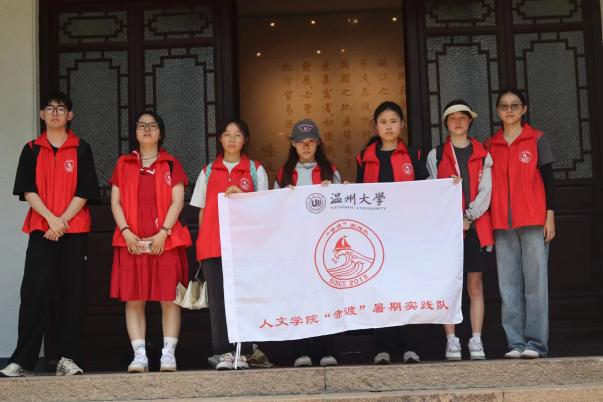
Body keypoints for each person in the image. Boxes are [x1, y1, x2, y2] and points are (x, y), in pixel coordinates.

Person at [1, 92, 100, 377]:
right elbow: (28, 190)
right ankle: (23, 361)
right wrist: (51, 219)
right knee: (34, 293)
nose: (55, 112)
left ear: (70, 115)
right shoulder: (31, 149)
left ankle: (68, 358)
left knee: (71, 293)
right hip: (41, 229)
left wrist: (62, 221)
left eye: (61, 108)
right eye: (50, 108)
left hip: (73, 229)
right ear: (42, 115)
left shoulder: (82, 148)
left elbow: (85, 190)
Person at [110, 111, 192, 373]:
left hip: (165, 240)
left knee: (169, 298)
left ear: (161, 133)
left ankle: (168, 354)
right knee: (134, 299)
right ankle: (140, 356)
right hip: (131, 241)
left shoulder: (170, 164)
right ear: (135, 132)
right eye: (142, 125)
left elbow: (178, 200)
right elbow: (115, 202)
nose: (147, 129)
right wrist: (125, 231)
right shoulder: (123, 164)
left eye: (152, 125)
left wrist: (163, 232)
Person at [190, 119, 269, 370]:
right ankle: (222, 352)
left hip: (246, 247)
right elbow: (202, 211)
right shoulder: (208, 171)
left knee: (244, 298)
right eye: (227, 134)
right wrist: (202, 243)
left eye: (237, 135)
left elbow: (265, 206)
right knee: (218, 301)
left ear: (245, 140)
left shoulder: (255, 170)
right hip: (213, 245)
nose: (232, 139)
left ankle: (244, 351)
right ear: (220, 139)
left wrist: (243, 196)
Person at [356, 101, 428, 364]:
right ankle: (383, 347)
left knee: (406, 289)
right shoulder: (365, 157)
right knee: (379, 290)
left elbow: (427, 191)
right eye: (383, 122)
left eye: (393, 122)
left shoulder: (414, 155)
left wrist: (449, 186)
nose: (388, 127)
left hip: (406, 234)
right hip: (375, 235)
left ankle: (410, 346)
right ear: (375, 126)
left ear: (402, 125)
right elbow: (358, 194)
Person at [485, 89, 556, 359]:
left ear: (524, 109)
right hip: (502, 223)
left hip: (534, 219)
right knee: (509, 285)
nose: (509, 110)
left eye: (515, 105)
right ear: (498, 111)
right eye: (504, 106)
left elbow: (549, 179)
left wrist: (550, 215)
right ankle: (515, 342)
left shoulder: (536, 138)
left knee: (536, 283)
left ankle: (536, 343)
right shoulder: (490, 145)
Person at [426, 100, 494, 361]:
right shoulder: (436, 154)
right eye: (452, 118)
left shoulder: (482, 153)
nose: (457, 122)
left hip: (474, 228)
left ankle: (476, 339)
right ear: (446, 123)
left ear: (470, 121)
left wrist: (469, 216)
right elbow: (432, 191)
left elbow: (486, 191)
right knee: (449, 285)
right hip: (447, 230)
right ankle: (451, 340)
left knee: (475, 285)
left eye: (462, 117)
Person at [275, 118, 341, 367]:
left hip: (325, 245)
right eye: (300, 141)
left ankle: (327, 351)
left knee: (326, 297)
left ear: (318, 143)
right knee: (298, 297)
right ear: (292, 144)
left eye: (310, 141)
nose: (305, 146)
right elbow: (275, 210)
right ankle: (300, 351)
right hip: (296, 246)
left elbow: (341, 208)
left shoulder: (330, 171)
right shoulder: (284, 174)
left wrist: (333, 191)